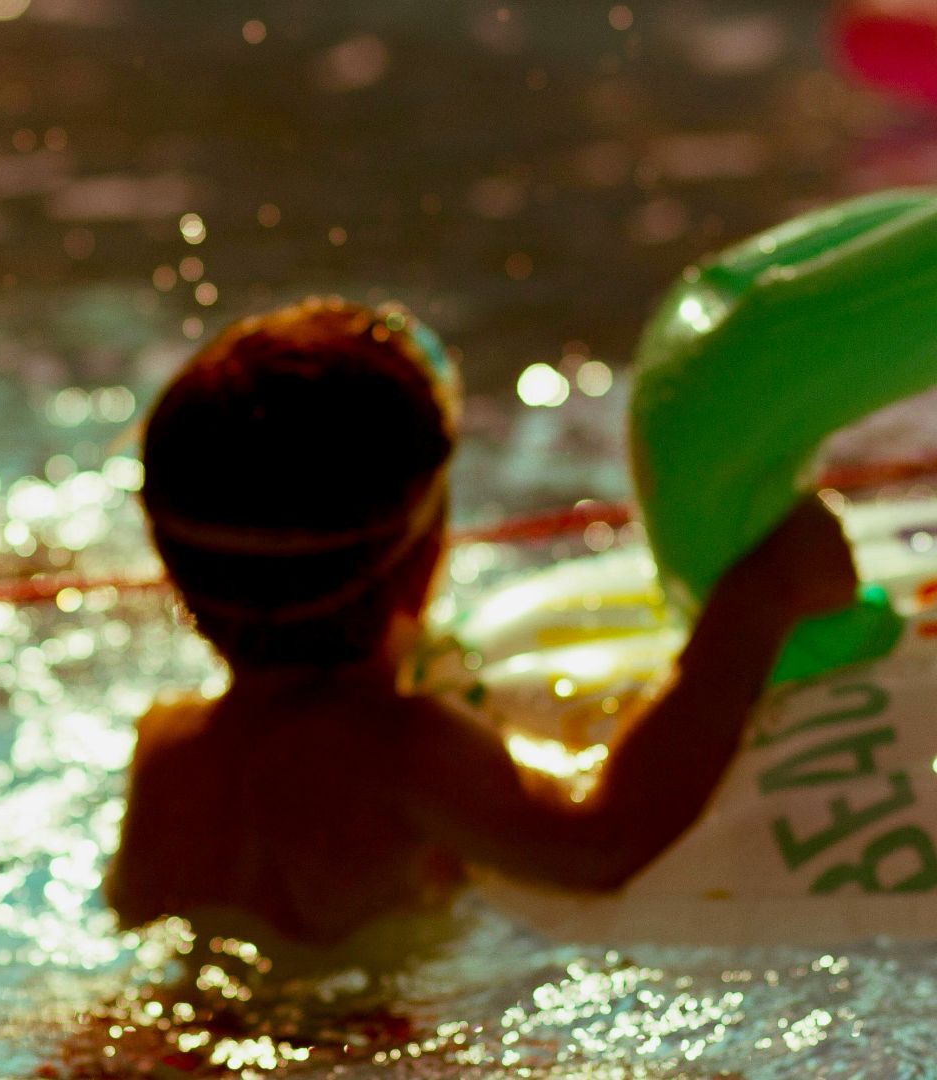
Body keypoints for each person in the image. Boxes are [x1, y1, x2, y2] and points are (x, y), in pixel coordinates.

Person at [104, 297, 860, 949]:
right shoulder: (407, 749)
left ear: (180, 578)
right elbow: (604, 845)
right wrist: (754, 605)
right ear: (423, 561)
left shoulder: (166, 748)